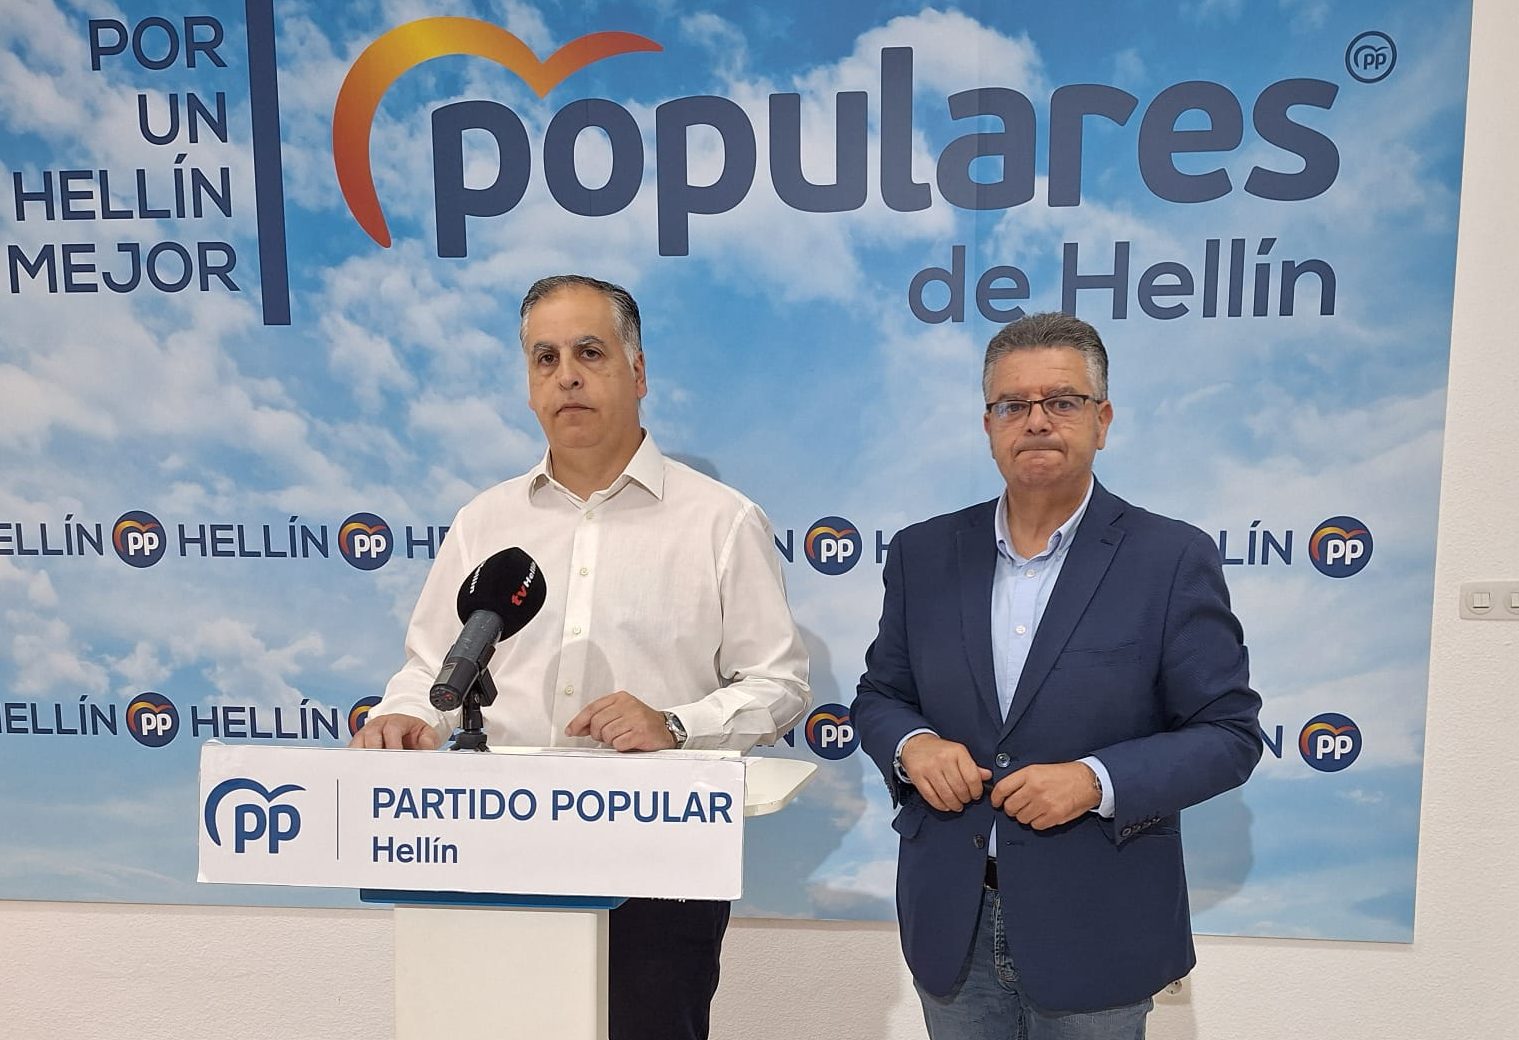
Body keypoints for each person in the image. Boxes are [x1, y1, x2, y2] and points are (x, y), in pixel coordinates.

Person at [353, 273, 810, 1040]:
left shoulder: (720, 522)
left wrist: (674, 724)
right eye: (545, 358)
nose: (566, 375)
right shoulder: (484, 521)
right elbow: (430, 666)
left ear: (637, 372)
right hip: (493, 848)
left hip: (658, 860)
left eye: (589, 353)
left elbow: (778, 683)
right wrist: (406, 717)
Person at [852, 312, 1262, 1039]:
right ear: (988, 425)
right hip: (951, 921)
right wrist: (913, 745)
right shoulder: (922, 554)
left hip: (1099, 924)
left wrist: (1095, 781)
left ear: (1102, 421)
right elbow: (881, 696)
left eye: (1062, 402)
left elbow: (1228, 735)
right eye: (1013, 405)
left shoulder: (1170, 558)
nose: (1036, 421)